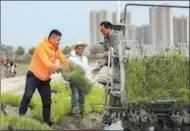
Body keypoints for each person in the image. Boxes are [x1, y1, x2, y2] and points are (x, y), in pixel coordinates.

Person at [18, 29, 71, 127]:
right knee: (28, 95)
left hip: (45, 79)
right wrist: (60, 67)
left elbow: (64, 60)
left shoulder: (56, 50)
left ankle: (46, 122)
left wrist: (71, 66)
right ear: (51, 38)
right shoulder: (41, 47)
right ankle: (20, 117)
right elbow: (47, 63)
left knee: (47, 101)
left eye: (60, 40)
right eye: (58, 40)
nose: (59, 42)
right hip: (33, 76)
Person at [68, 41, 89, 119]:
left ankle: (81, 112)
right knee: (75, 96)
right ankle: (75, 114)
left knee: (82, 97)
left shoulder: (85, 58)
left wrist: (87, 80)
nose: (81, 50)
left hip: (83, 81)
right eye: (79, 48)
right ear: (75, 49)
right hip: (75, 80)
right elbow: (68, 70)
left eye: (82, 48)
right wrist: (67, 82)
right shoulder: (71, 58)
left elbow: (87, 70)